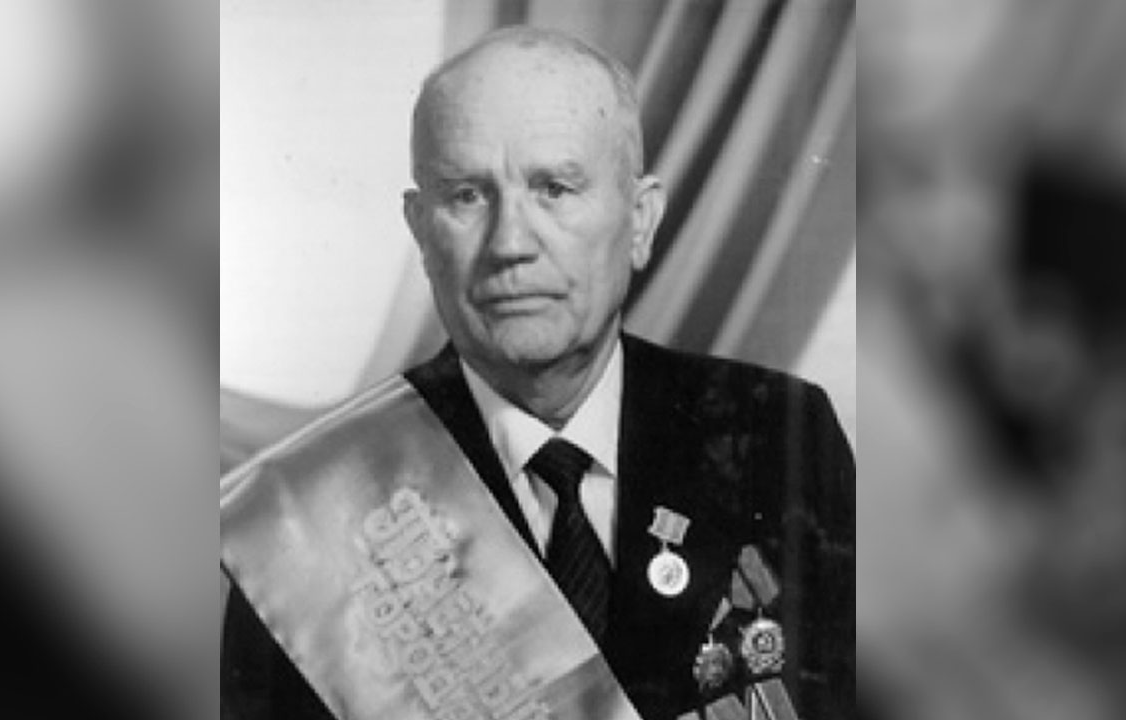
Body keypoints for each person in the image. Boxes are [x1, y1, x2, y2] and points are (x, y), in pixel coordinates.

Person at [222, 26, 853, 720]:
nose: (511, 243)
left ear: (641, 221)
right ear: (421, 230)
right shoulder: (309, 523)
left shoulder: (779, 432)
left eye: (555, 188)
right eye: (467, 195)